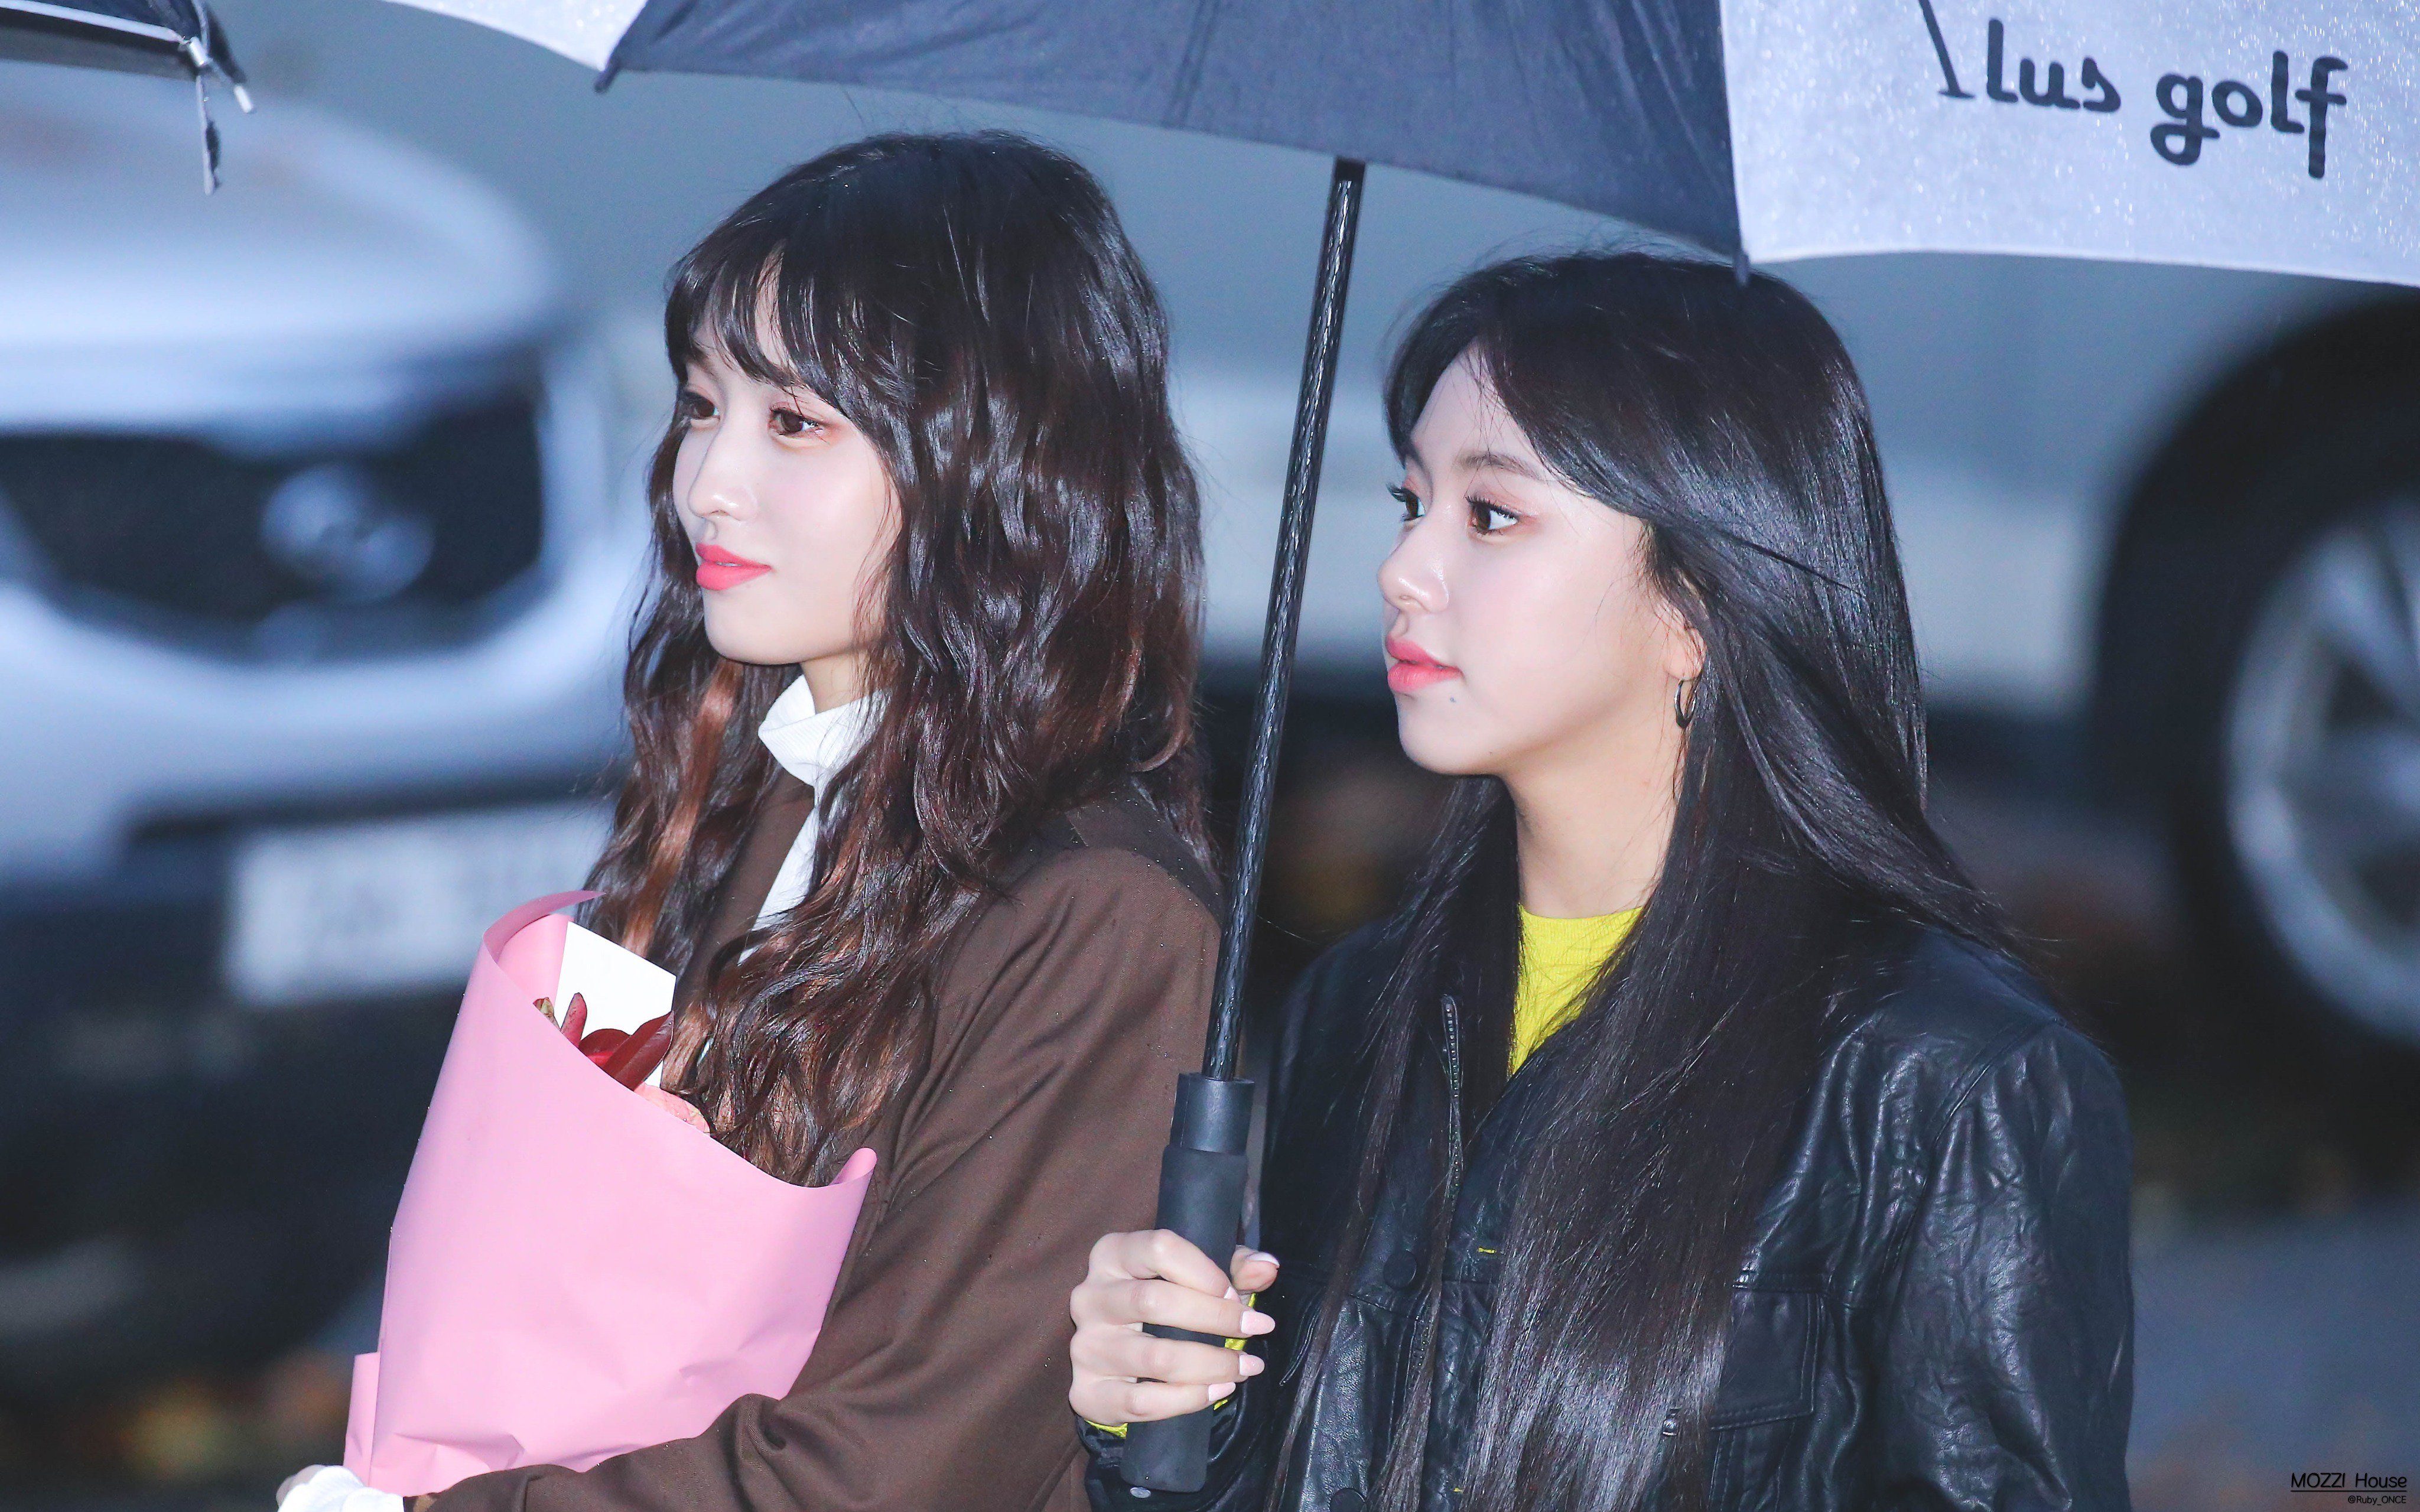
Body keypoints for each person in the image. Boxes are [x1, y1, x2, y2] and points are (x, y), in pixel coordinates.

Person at [1065, 252, 2134, 1512]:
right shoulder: (1354, 1015)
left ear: (1695, 608)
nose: (1402, 568)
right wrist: (1164, 1429)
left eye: (1490, 515)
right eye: (1413, 501)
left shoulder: (1945, 1084)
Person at [294, 131, 1222, 1512]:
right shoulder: (752, 786)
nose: (706, 481)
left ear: (994, 461)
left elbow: (899, 1465)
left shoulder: (1092, 912)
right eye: (698, 403)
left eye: (792, 422)